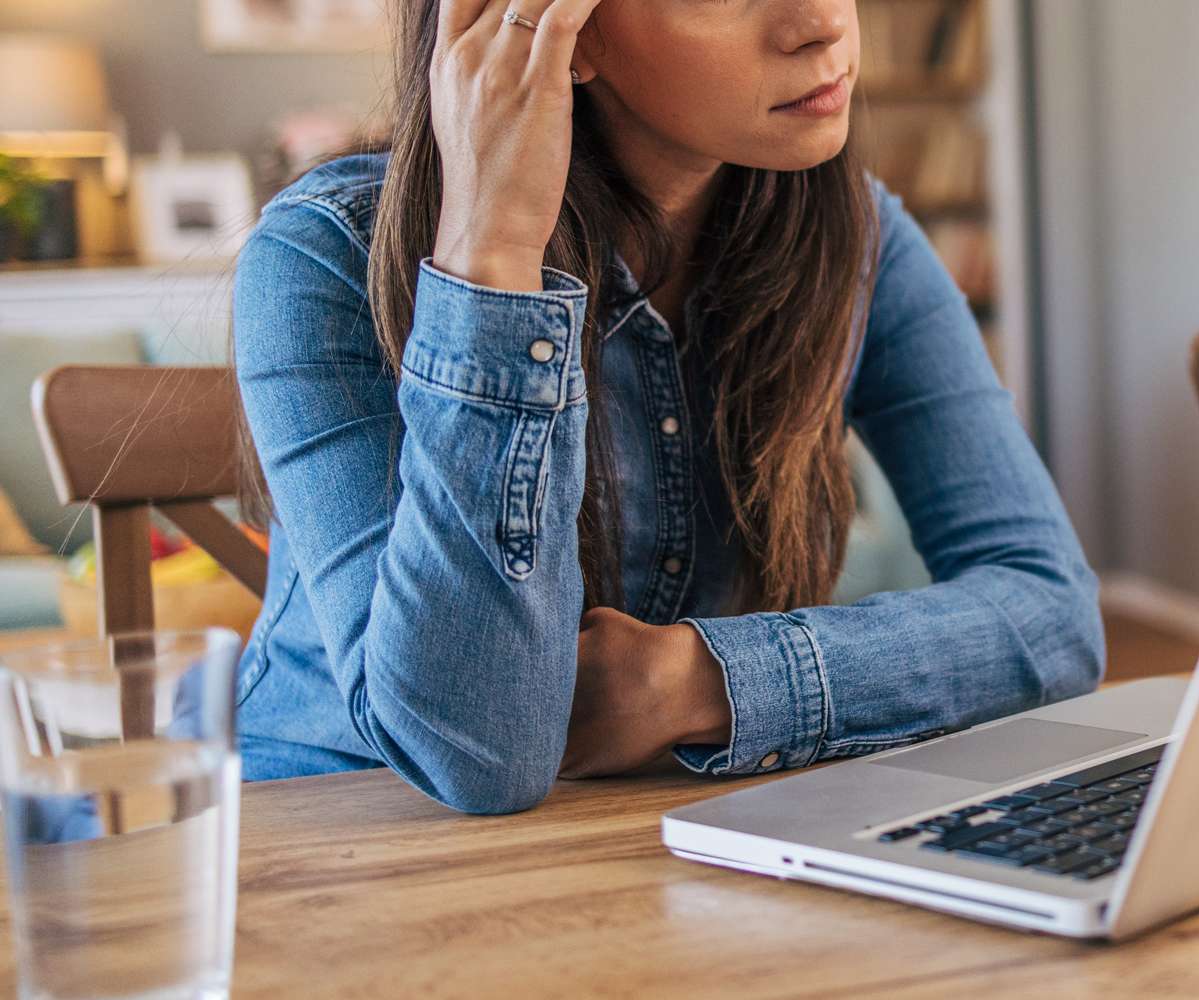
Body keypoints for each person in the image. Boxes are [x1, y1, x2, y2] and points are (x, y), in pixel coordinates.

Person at [229, 0, 1104, 814]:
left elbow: (1051, 613)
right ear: (554, 28)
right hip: (342, 841)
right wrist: (490, 253)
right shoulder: (327, 255)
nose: (823, 23)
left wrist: (700, 683)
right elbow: (478, 754)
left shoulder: (855, 238)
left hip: (653, 837)